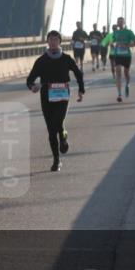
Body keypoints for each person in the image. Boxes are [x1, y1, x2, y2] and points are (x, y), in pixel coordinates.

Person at [26, 30, 84, 172]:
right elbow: (30, 79)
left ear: (59, 42)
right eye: (50, 39)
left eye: (55, 39)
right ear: (47, 42)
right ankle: (56, 160)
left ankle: (63, 137)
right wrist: (33, 86)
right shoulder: (41, 60)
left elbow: (78, 73)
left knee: (57, 122)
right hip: (46, 96)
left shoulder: (66, 58)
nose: (53, 42)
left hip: (63, 95)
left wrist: (81, 89)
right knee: (51, 131)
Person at [102, 17, 135, 102]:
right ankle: (119, 94)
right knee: (118, 71)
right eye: (119, 22)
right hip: (117, 55)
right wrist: (111, 44)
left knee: (126, 73)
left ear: (124, 23)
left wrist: (127, 45)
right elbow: (111, 42)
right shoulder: (115, 33)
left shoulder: (129, 32)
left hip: (126, 55)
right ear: (117, 23)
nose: (120, 23)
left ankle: (127, 85)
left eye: (122, 22)